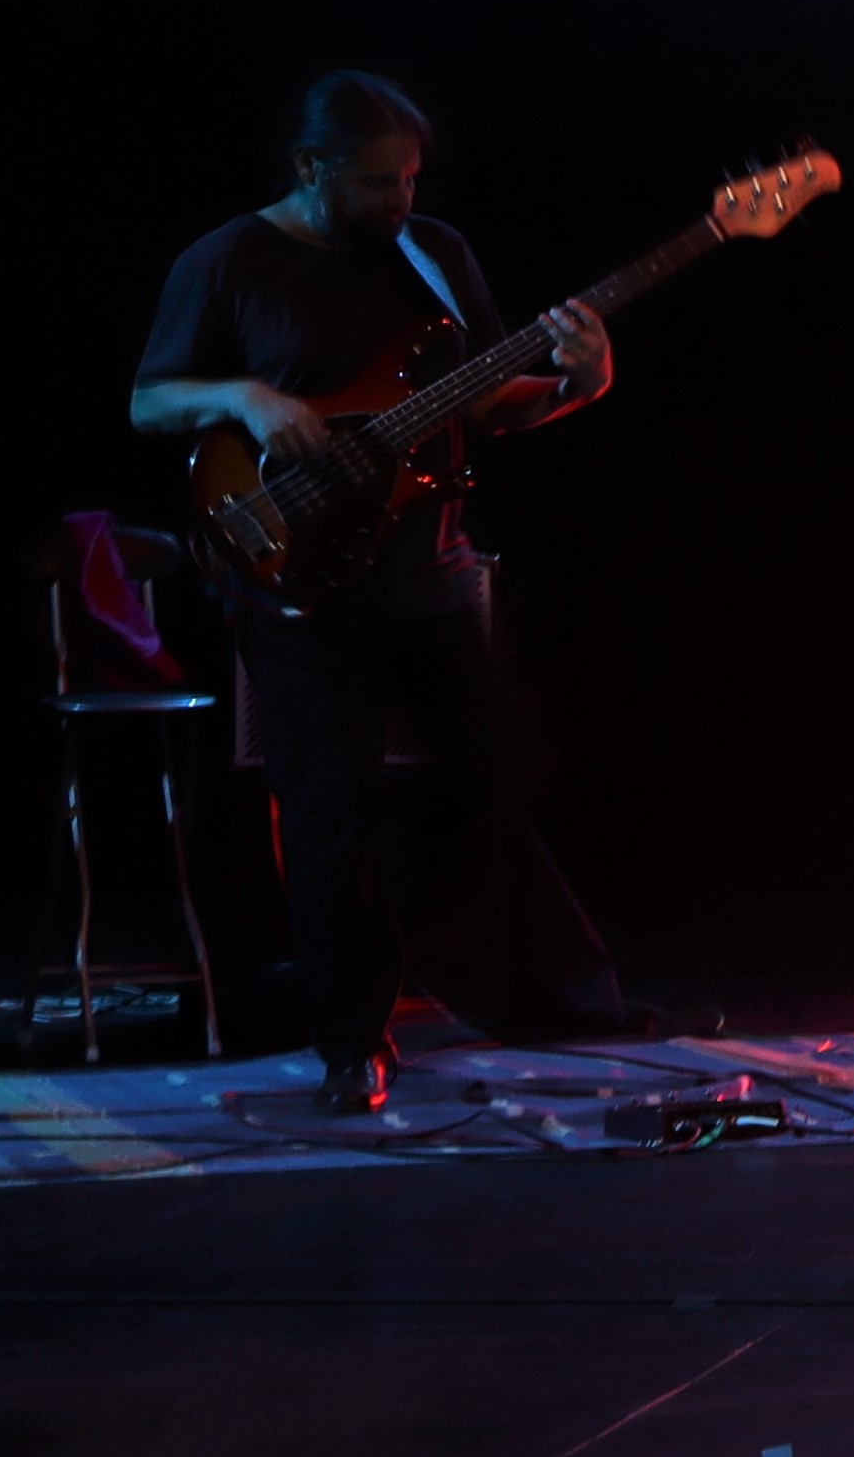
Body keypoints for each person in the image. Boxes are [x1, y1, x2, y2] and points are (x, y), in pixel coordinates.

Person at [130, 70, 628, 1111]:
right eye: (375, 183)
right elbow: (149, 403)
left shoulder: (435, 253)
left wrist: (577, 384)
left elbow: (485, 401)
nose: (401, 201)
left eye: (409, 179)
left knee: (493, 771)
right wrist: (246, 397)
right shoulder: (228, 261)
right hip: (302, 581)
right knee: (328, 809)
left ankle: (511, 987)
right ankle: (353, 1041)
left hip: (427, 571)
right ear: (310, 169)